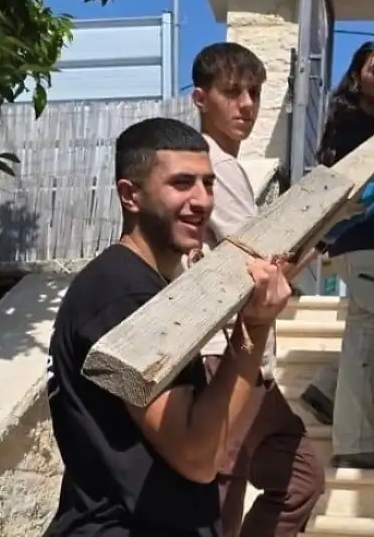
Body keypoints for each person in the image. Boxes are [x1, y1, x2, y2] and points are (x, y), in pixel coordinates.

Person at [44, 117, 296, 537]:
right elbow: (198, 457)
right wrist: (253, 326)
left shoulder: (145, 287)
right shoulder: (124, 295)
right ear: (131, 195)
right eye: (181, 183)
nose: (202, 201)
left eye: (208, 183)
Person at [187, 42, 325, 537]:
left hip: (237, 354)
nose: (246, 105)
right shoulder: (215, 167)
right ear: (200, 99)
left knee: (286, 479)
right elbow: (265, 265)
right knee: (231, 494)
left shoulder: (223, 165)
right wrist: (329, 228)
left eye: (254, 93)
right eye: (232, 92)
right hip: (224, 353)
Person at [296, 41, 374, 471]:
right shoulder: (354, 125)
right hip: (367, 242)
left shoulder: (370, 122)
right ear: (357, 75)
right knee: (367, 343)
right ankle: (353, 443)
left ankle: (326, 389)